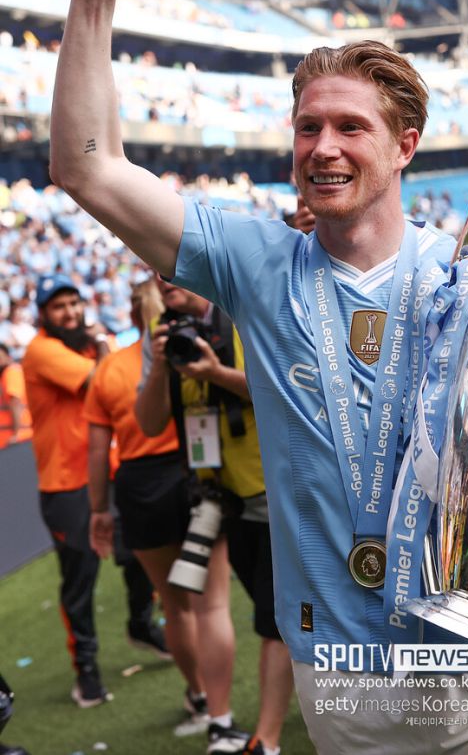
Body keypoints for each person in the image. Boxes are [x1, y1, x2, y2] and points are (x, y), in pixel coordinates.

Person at [50, 0, 468, 754]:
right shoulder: (254, 261)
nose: (324, 146)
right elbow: (87, 167)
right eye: (308, 126)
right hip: (349, 677)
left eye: (352, 126)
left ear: (406, 146)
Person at [135, 276, 293, 755]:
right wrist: (161, 368)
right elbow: (149, 423)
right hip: (214, 496)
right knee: (232, 607)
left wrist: (215, 373)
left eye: (169, 269)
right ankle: (225, 724)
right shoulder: (163, 333)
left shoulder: (245, 310)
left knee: (276, 616)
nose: (161, 279)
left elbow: (287, 391)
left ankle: (267, 739)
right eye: (154, 272)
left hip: (273, 488)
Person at [21, 273, 168, 708]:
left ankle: (141, 624)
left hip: (109, 474)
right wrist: (104, 343)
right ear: (44, 315)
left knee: (141, 554)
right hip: (66, 484)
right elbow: (102, 381)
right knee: (80, 581)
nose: (70, 313)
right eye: (59, 307)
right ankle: (85, 669)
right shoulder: (41, 350)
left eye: (74, 303)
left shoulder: (83, 346)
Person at [84, 279, 210, 730]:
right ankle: (218, 705)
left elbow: (98, 449)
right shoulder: (199, 346)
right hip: (199, 470)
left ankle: (201, 696)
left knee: (177, 607)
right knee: (209, 604)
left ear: (133, 313)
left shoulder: (109, 369)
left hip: (142, 485)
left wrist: (99, 509)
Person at [0, 343, 32, 448]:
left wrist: (15, 434)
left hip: (17, 439)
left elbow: (15, 403)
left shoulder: (11, 372)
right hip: (12, 439)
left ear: (8, 357)